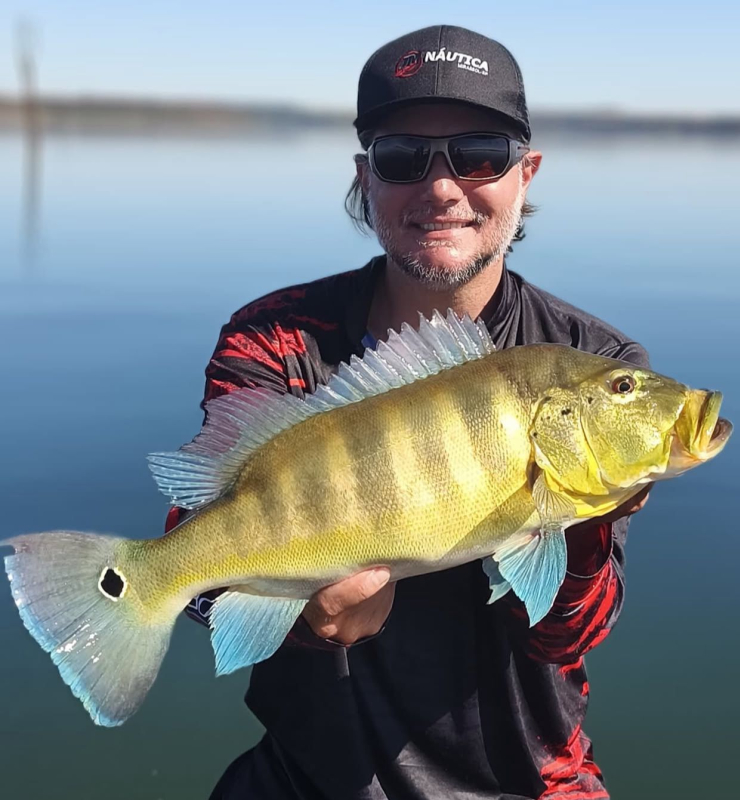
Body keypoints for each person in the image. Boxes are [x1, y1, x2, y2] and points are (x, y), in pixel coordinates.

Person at [168, 25, 651, 800]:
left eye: (480, 155)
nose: (443, 187)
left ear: (525, 173)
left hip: (527, 782)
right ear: (366, 177)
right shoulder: (277, 338)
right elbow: (193, 564)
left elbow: (574, 631)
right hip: (306, 777)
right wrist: (304, 617)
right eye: (402, 157)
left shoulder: (595, 363)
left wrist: (587, 512)